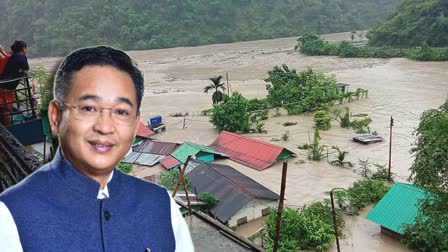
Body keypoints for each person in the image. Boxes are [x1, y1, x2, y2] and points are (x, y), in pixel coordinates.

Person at [0, 46, 194, 251]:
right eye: (88, 108)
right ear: (56, 117)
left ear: (136, 124)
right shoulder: (10, 216)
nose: (105, 127)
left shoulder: (162, 207)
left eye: (121, 111)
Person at [0, 41, 29, 125]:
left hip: (3, 84)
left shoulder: (10, 56)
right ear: (23, 49)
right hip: (6, 86)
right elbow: (26, 71)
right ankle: (8, 129)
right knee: (5, 109)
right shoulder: (20, 57)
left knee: (3, 108)